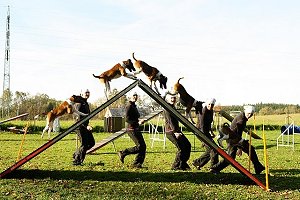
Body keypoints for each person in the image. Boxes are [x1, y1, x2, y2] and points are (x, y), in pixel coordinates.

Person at [210, 105, 265, 174]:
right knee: (249, 150)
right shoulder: (241, 120)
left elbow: (239, 132)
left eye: (251, 114)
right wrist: (240, 148)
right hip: (233, 139)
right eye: (248, 113)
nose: (249, 115)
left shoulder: (242, 116)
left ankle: (258, 167)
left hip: (234, 139)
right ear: (245, 112)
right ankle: (214, 168)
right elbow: (237, 134)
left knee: (232, 157)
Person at [118, 92, 146, 168]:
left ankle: (137, 164)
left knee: (143, 146)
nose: (135, 97)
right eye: (133, 96)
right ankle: (123, 152)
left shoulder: (134, 106)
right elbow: (127, 119)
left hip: (135, 128)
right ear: (130, 97)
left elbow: (133, 117)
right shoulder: (129, 106)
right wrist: (138, 122)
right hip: (131, 128)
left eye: (136, 96)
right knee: (140, 146)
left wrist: (139, 120)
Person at [164, 95, 191, 170]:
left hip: (177, 131)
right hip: (171, 132)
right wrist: (175, 132)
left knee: (188, 145)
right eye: (171, 98)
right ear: (168, 100)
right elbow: (170, 121)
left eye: (174, 98)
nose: (173, 99)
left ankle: (183, 164)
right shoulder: (167, 108)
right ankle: (175, 166)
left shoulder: (173, 107)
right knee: (181, 149)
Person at [192, 98, 219, 170]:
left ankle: (197, 162)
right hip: (200, 132)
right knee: (214, 149)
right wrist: (204, 139)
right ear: (207, 104)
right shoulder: (203, 111)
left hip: (206, 132)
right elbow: (202, 125)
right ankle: (214, 167)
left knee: (210, 150)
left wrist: (211, 132)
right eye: (209, 104)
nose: (210, 106)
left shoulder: (211, 111)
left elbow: (209, 123)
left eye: (212, 105)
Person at [73, 89, 95, 165]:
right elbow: (78, 117)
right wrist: (86, 126)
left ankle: (76, 154)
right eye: (86, 93)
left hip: (85, 126)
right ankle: (77, 161)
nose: (87, 94)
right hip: (79, 126)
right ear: (81, 94)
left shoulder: (85, 103)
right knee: (85, 144)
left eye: (88, 92)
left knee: (92, 143)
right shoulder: (79, 103)